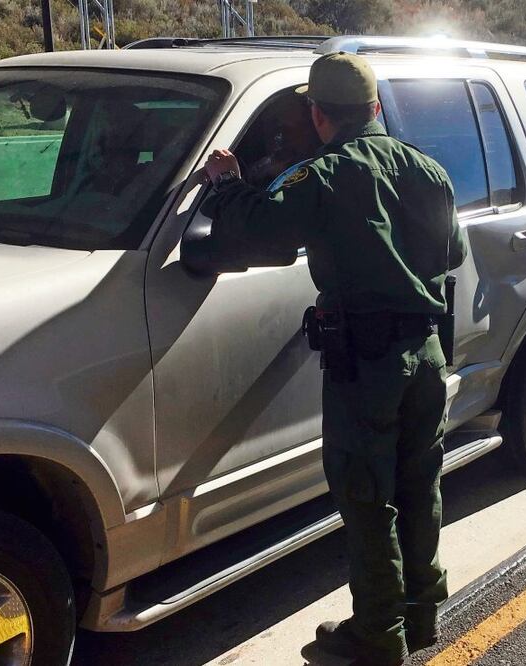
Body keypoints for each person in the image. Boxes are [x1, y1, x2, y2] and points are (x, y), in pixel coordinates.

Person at [200, 52, 468, 666]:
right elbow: (451, 252)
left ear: (319, 115)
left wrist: (226, 184)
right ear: (375, 108)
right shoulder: (428, 169)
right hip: (426, 352)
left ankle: (377, 635)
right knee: (418, 484)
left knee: (368, 496)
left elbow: (258, 230)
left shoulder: (319, 175)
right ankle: (422, 614)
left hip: (366, 363)